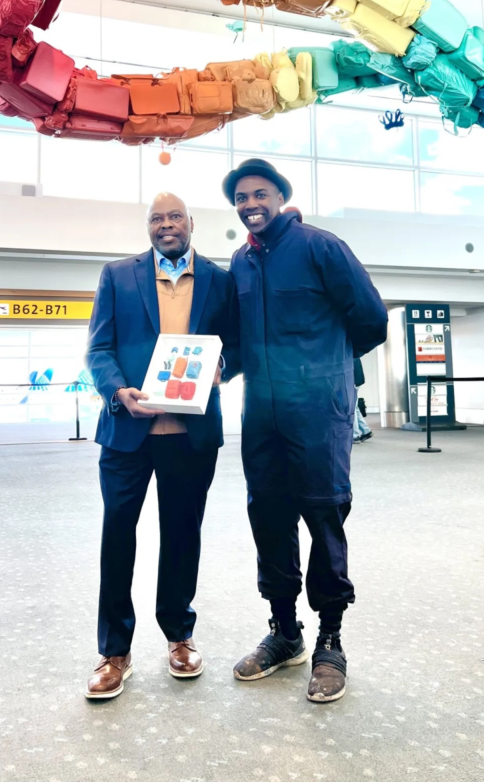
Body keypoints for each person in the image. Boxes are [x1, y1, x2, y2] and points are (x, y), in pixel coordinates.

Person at [222, 158, 388, 704]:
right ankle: (285, 632)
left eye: (260, 193)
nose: (251, 204)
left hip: (318, 413)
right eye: (242, 197)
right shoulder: (241, 263)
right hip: (261, 416)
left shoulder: (321, 246)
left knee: (323, 516)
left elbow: (371, 319)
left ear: (280, 195)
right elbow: (239, 342)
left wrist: (327, 369)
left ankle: (330, 641)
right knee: (267, 517)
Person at [84, 192, 239, 700]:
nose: (166, 224)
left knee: (181, 536)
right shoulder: (118, 275)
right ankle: (114, 651)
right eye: (157, 218)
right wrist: (116, 391)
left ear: (191, 223)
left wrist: (225, 367)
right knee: (117, 539)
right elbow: (100, 347)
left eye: (175, 216)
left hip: (191, 436)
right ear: (148, 227)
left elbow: (234, 344)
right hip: (128, 435)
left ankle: (179, 636)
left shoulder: (219, 279)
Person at [352, 356, 372, 442]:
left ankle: (355, 435)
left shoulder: (349, 354)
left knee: (351, 408)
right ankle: (366, 431)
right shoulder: (354, 352)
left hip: (353, 382)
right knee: (354, 408)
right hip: (357, 381)